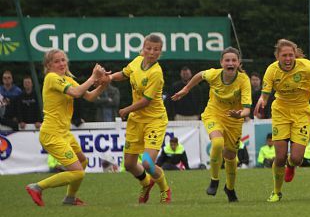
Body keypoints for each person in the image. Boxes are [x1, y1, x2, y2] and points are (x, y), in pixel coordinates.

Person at [255, 39, 310, 203]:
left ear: (295, 55)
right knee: (279, 156)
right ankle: (276, 192)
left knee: (297, 158)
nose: (287, 59)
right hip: (280, 112)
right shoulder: (271, 70)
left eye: (290, 55)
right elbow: (265, 94)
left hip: (301, 113)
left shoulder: (305, 66)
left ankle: (291, 166)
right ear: (277, 56)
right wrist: (261, 100)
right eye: (284, 55)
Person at [24, 50, 107, 207]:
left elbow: (88, 96)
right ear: (48, 65)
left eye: (63, 60)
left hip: (64, 133)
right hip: (52, 134)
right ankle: (37, 187)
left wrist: (104, 84)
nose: (62, 63)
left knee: (83, 161)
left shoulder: (66, 79)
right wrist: (93, 77)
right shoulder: (51, 78)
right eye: (56, 61)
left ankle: (70, 198)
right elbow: (76, 93)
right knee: (77, 172)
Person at [173, 47, 251, 203]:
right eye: (227, 60)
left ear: (238, 63)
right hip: (213, 114)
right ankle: (214, 179)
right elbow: (200, 75)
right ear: (221, 62)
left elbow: (247, 109)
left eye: (233, 60)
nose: (230, 63)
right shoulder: (214, 74)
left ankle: (230, 188)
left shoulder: (243, 80)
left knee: (230, 157)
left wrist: (240, 114)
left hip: (233, 120)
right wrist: (186, 89)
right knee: (217, 142)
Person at [108, 34, 172, 204]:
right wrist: (110, 78)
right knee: (129, 164)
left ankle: (165, 188)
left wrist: (126, 110)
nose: (152, 52)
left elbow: (146, 101)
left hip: (154, 120)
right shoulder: (137, 61)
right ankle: (146, 183)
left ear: (160, 52)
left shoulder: (156, 73)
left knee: (147, 163)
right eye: (149, 48)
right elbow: (124, 73)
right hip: (136, 121)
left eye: (156, 50)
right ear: (143, 48)